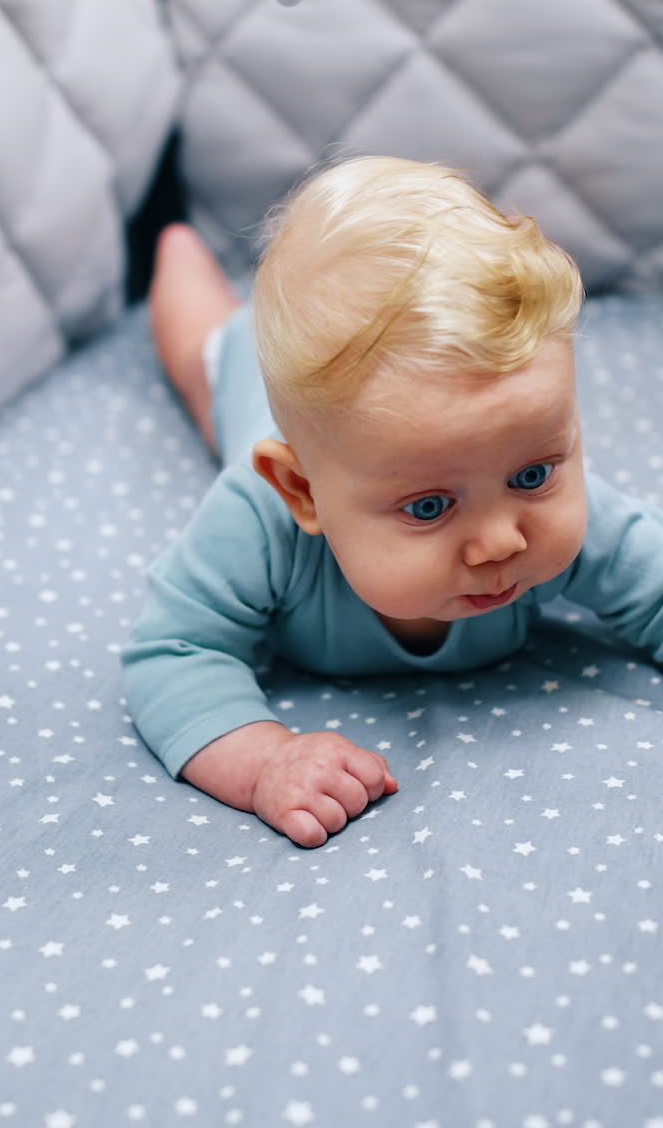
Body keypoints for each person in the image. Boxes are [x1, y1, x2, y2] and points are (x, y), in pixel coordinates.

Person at [121, 156, 663, 849]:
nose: (502, 541)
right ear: (302, 491)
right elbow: (174, 648)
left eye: (531, 476)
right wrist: (263, 760)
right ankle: (177, 251)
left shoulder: (552, 501)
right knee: (208, 350)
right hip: (248, 385)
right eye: (431, 507)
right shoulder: (259, 518)